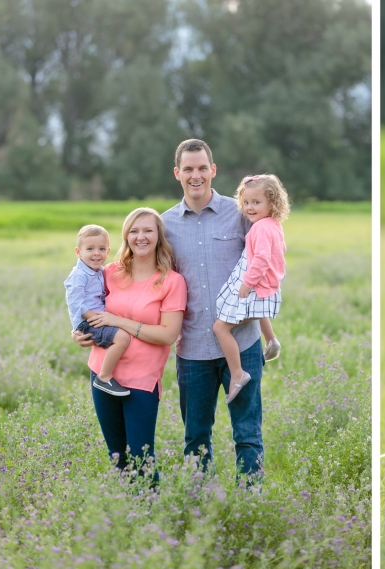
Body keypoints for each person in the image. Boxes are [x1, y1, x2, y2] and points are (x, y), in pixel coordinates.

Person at [161, 139, 265, 481]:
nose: (196, 175)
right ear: (177, 173)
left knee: (248, 434)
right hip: (192, 349)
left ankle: (251, 502)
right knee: (195, 438)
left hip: (243, 342)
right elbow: (149, 281)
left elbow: (267, 266)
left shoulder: (242, 214)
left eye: (202, 168)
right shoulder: (164, 225)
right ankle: (200, 501)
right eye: (188, 169)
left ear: (213, 170)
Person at [78, 208, 187, 482]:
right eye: (134, 231)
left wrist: (120, 322)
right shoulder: (109, 272)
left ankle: (149, 507)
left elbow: (168, 335)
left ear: (159, 235)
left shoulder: (172, 282)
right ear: (126, 236)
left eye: (148, 230)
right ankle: (128, 508)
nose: (141, 237)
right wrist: (78, 334)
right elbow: (85, 305)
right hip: (103, 373)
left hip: (141, 380)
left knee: (141, 457)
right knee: (117, 456)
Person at [213, 174, 289, 405]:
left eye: (256, 202)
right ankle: (271, 340)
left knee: (220, 327)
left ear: (272, 203)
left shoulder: (260, 228)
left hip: (255, 283)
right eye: (246, 202)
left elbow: (262, 258)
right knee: (255, 311)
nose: (249, 207)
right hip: (266, 286)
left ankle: (237, 373)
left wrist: (247, 282)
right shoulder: (274, 225)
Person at [65, 224, 131, 396]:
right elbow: (76, 304)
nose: (96, 253)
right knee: (122, 338)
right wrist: (96, 318)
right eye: (90, 249)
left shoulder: (100, 271)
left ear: (108, 251)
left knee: (122, 333)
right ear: (78, 252)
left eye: (101, 249)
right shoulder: (79, 275)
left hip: (95, 318)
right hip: (88, 321)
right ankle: (104, 376)